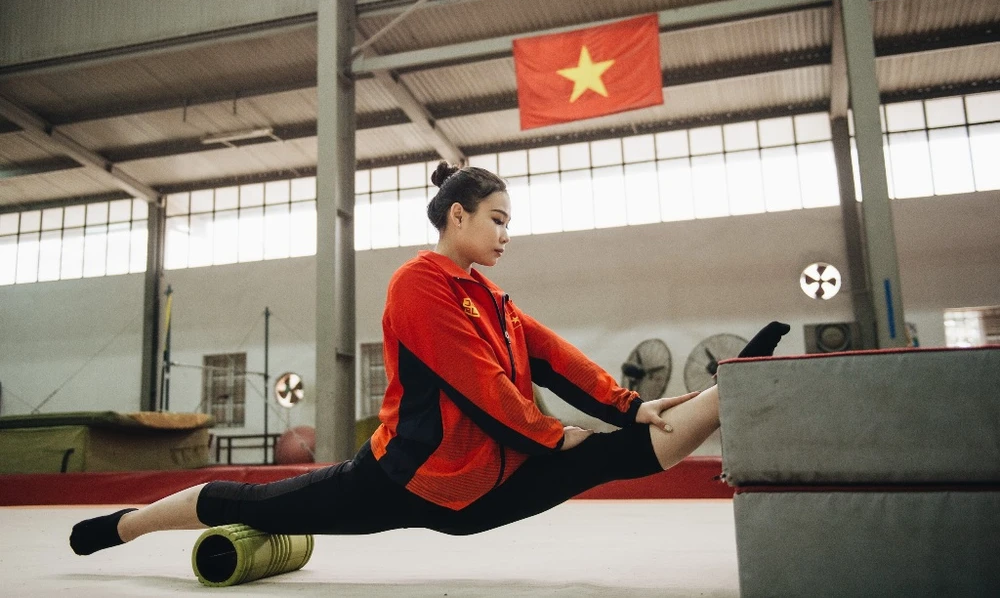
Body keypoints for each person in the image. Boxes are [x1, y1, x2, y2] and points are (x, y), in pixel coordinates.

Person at [70, 163, 789, 556]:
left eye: (509, 223)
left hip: (491, 482)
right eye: (497, 220)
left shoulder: (493, 299)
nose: (506, 235)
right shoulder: (418, 285)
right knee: (248, 504)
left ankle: (730, 392)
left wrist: (630, 407)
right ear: (458, 216)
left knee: (625, 450)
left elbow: (555, 358)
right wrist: (555, 436)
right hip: (406, 480)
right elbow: (479, 386)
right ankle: (125, 525)